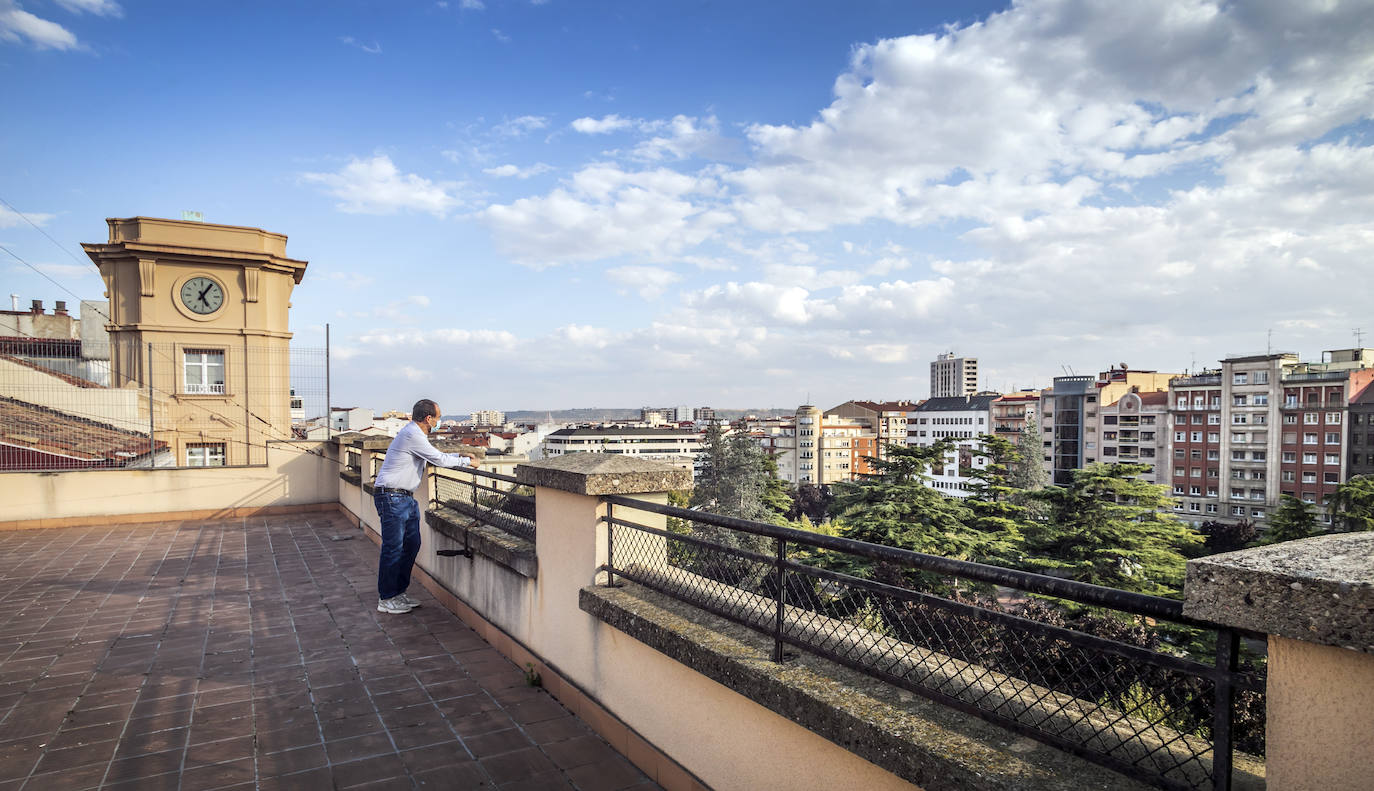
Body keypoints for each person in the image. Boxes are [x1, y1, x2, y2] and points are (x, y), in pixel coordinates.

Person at [372, 399, 477, 614]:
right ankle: (387, 597)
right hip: (392, 497)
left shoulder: (414, 435)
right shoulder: (412, 434)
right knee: (393, 548)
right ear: (429, 418)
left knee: (411, 545)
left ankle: (398, 593)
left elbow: (434, 455)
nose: (439, 422)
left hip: (404, 498)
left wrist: (460, 456)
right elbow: (437, 459)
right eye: (438, 418)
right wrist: (467, 462)